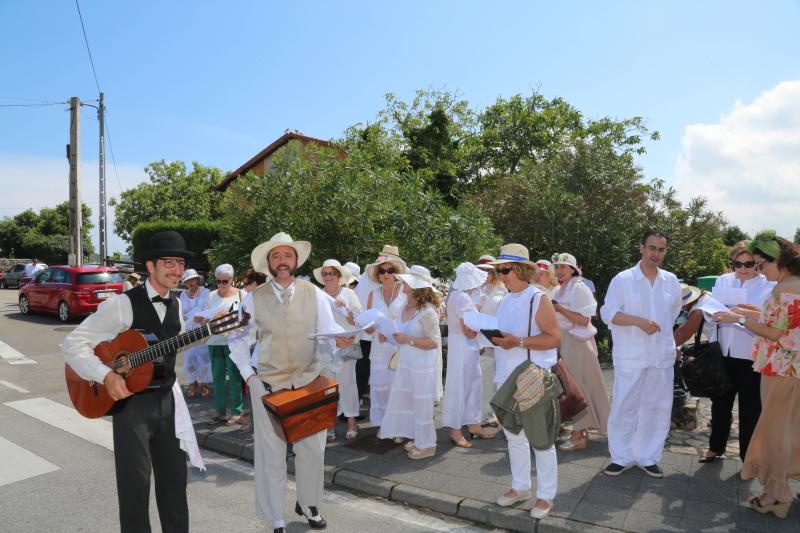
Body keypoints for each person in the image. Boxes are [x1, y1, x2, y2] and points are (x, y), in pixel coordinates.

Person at [61, 231, 196, 533]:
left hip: (167, 403)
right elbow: (72, 343)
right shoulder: (122, 305)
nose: (177, 270)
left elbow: (169, 350)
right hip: (131, 406)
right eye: (169, 263)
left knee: (175, 482)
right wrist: (106, 375)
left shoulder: (177, 305)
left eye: (180, 264)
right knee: (135, 486)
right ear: (151, 266)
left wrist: (214, 330)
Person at [228, 232, 352, 532]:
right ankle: (277, 517)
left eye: (287, 256)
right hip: (269, 386)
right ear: (269, 263)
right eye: (276, 256)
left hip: (308, 384)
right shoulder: (253, 300)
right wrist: (251, 378)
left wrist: (341, 341)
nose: (282, 261)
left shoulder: (315, 293)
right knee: (272, 456)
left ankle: (310, 505)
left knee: (312, 451)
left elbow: (329, 330)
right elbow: (237, 341)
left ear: (296, 260)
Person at [713, 230, 800, 518]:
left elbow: (775, 332)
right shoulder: (792, 284)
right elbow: (783, 323)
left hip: (780, 369)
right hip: (791, 369)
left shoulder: (785, 288)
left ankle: (777, 495)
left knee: (775, 434)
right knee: (787, 431)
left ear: (779, 260)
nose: (759, 271)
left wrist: (738, 318)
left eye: (761, 265)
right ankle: (779, 489)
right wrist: (752, 312)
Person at [600, 230, 682, 478]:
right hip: (631, 355)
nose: (656, 254)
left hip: (661, 355)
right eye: (652, 248)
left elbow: (674, 313)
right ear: (642, 248)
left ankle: (648, 456)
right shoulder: (623, 279)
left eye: (661, 249)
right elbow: (608, 313)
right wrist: (638, 321)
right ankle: (620, 456)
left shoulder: (671, 281)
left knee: (657, 407)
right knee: (624, 405)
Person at [489, 243, 561, 520]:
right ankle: (520, 487)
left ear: (520, 269)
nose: (501, 274)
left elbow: (554, 338)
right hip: (507, 376)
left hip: (532, 376)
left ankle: (546, 495)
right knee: (514, 437)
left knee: (541, 439)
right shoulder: (506, 300)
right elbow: (505, 340)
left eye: (505, 269)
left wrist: (517, 341)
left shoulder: (538, 298)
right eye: (499, 270)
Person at [695, 241, 774, 463]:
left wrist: (738, 316)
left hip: (750, 354)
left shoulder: (768, 285)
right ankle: (715, 447)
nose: (743, 268)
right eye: (737, 263)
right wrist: (715, 314)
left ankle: (747, 456)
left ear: (757, 264)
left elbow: (766, 319)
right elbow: (710, 312)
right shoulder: (723, 281)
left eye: (749, 264)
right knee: (720, 404)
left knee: (750, 409)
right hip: (722, 351)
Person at [377, 265, 442, 459]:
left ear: (416, 287)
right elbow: (402, 334)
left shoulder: (429, 312)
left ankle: (428, 444)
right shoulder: (406, 306)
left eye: (405, 282)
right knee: (409, 402)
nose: (401, 284)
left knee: (421, 404)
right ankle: (418, 437)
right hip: (405, 364)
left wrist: (409, 340)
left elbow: (434, 342)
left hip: (421, 366)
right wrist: (388, 337)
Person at [551, 253, 610, 451]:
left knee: (578, 388)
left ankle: (578, 435)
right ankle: (579, 432)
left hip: (575, 341)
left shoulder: (579, 287)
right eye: (557, 267)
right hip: (566, 341)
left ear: (573, 269)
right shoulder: (562, 289)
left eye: (563, 267)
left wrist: (559, 310)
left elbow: (584, 320)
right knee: (574, 388)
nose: (559, 271)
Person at [441, 262, 494, 447]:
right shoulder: (462, 297)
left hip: (462, 347)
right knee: (461, 386)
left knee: (473, 383)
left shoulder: (457, 295)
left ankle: (473, 423)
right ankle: (455, 429)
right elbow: (469, 329)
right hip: (464, 346)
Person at [313, 259, 362, 441]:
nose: (327, 277)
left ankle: (352, 423)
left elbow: (358, 321)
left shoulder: (349, 294)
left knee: (348, 385)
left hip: (346, 346)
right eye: (324, 274)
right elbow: (315, 323)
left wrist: (346, 309)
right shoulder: (318, 295)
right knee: (328, 388)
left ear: (339, 276)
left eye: (331, 273)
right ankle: (329, 425)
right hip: (326, 347)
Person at [364, 245, 408, 426]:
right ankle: (383, 424)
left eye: (390, 270)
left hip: (399, 346)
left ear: (396, 272)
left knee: (399, 387)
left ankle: (398, 425)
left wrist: (396, 333)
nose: (385, 273)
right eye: (382, 271)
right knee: (380, 389)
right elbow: (367, 326)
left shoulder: (406, 292)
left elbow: (411, 320)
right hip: (379, 347)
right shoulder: (372, 294)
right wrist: (372, 328)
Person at [203, 263, 246, 425]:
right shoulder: (211, 296)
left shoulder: (242, 294)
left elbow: (248, 318)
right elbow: (206, 317)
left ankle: (237, 411)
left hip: (234, 342)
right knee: (218, 378)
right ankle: (220, 411)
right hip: (214, 342)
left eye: (224, 281)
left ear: (232, 280)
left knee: (235, 377)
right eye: (218, 281)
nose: (221, 285)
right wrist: (205, 319)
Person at [475, 255, 507, 427]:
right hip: (475, 339)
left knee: (492, 378)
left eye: (488, 270)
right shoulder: (473, 289)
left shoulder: (503, 290)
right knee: (478, 379)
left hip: (495, 339)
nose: (485, 273)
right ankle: (476, 415)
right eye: (482, 269)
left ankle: (490, 414)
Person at [180, 269, 211, 398]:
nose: (190, 283)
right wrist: (189, 317)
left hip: (203, 330)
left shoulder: (206, 293)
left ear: (198, 280)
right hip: (188, 332)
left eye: (192, 279)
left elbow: (210, 310)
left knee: (204, 360)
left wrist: (203, 317)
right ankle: (193, 383)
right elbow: (181, 313)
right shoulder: (182, 295)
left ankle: (204, 384)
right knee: (189, 360)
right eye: (187, 281)